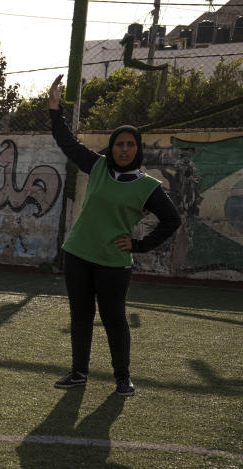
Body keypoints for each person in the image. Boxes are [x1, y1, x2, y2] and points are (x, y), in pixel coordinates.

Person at [47, 74, 181, 396]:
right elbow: (67, 142)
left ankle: (122, 377)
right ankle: (78, 372)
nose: (123, 149)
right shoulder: (98, 167)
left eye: (129, 144)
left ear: (137, 149)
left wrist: (139, 245)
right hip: (78, 253)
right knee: (80, 316)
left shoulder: (147, 187)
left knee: (114, 319)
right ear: (112, 146)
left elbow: (171, 220)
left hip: (113, 262)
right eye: (119, 144)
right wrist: (54, 110)